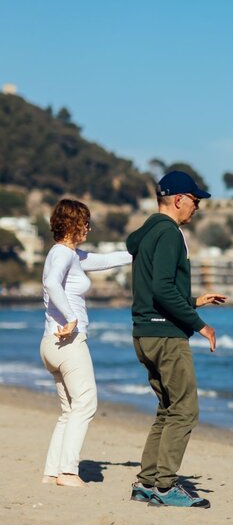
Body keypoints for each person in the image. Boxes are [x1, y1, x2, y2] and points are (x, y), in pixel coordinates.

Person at [126, 170, 226, 508]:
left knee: (167, 409)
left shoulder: (147, 233)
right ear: (179, 199)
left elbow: (155, 288)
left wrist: (195, 300)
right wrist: (201, 325)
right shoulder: (169, 233)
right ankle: (165, 487)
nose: (197, 207)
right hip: (166, 335)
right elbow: (163, 288)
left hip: (145, 332)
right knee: (185, 410)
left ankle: (146, 482)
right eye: (195, 201)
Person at [39, 199, 133, 487]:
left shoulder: (72, 255)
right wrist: (71, 318)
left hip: (51, 344)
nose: (89, 228)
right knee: (86, 403)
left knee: (69, 411)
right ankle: (68, 472)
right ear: (72, 224)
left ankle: (52, 472)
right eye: (86, 222)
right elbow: (52, 284)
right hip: (68, 342)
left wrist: (140, 249)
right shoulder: (62, 255)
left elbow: (107, 259)